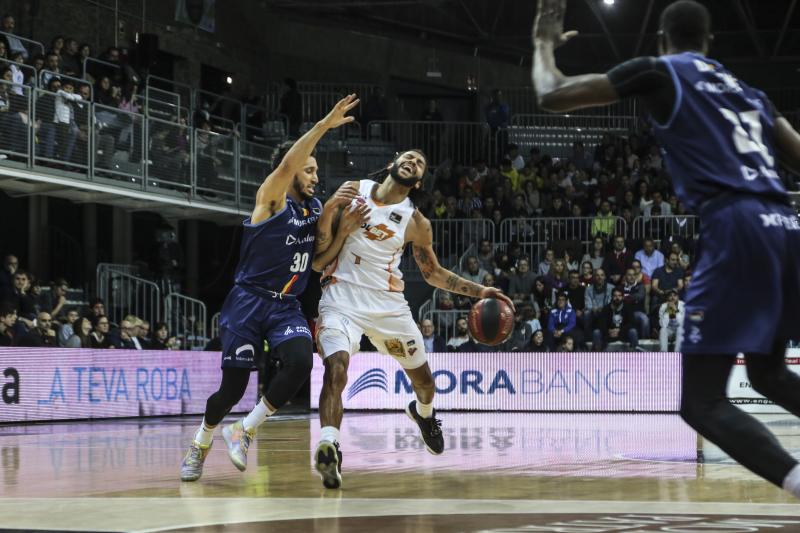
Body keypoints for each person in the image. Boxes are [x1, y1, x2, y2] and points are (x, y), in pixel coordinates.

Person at [533, 0, 800, 498]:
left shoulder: (660, 71)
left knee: (701, 403)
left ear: (661, 39)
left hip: (736, 224)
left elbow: (552, 94)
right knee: (766, 374)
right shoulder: (751, 93)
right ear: (710, 43)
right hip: (785, 223)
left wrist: (543, 43)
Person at [179, 95, 365, 482]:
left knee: (301, 360)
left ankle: (244, 429)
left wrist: (342, 230)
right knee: (231, 389)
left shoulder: (314, 210)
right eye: (309, 170)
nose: (315, 176)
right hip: (248, 302)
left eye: (315, 171)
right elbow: (286, 165)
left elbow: (315, 263)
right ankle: (200, 442)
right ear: (294, 171)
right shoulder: (271, 201)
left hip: (286, 305)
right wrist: (323, 126)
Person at [311, 148, 513, 489]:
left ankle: (423, 415)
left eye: (420, 162)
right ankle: (329, 445)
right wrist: (332, 211)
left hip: (388, 306)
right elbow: (321, 249)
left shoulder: (416, 223)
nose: (413, 162)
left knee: (425, 383)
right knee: (336, 370)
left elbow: (432, 273)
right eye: (408, 157)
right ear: (392, 164)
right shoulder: (352, 191)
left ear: (418, 182)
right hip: (341, 298)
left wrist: (482, 292)